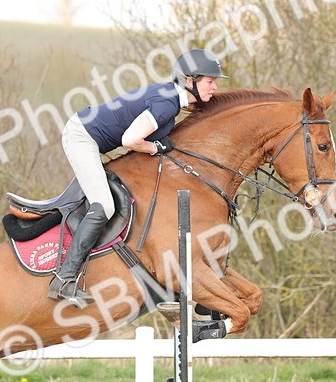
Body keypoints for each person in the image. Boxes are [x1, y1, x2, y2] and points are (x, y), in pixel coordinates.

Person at [50, 48, 229, 306]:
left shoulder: (171, 99)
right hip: (82, 137)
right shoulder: (167, 103)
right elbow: (130, 140)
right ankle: (64, 278)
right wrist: (155, 148)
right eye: (210, 81)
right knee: (105, 206)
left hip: (89, 135)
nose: (214, 87)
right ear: (189, 81)